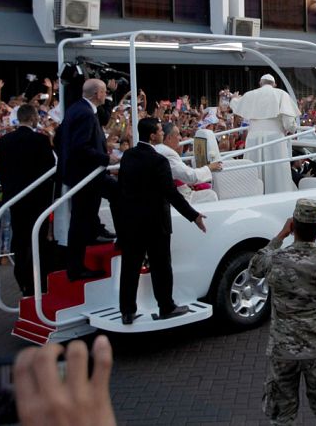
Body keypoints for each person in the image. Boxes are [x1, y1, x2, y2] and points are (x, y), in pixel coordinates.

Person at [249, 198, 316, 426]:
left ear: (293, 226)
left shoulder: (275, 259)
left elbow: (255, 266)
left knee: (282, 417)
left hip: (283, 349)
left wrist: (280, 236)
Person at [118, 118, 207, 325]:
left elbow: (121, 189)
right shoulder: (158, 161)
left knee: (130, 266)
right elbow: (171, 194)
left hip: (131, 222)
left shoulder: (128, 156)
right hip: (156, 223)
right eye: (159, 131)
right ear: (152, 136)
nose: (162, 134)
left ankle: (127, 311)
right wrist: (194, 216)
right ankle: (166, 306)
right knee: (161, 266)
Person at [55, 79, 119, 282]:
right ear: (97, 94)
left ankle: (95, 233)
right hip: (86, 175)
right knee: (82, 219)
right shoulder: (84, 113)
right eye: (104, 91)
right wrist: (105, 158)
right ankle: (76, 267)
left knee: (85, 216)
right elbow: (80, 147)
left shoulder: (78, 109)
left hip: (85, 174)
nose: (105, 94)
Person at [0, 105, 56, 295]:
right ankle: (38, 283)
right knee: (38, 241)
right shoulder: (40, 140)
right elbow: (50, 169)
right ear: (32, 119)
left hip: (15, 200)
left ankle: (23, 282)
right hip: (38, 200)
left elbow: (2, 170)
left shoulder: (5, 141)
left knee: (20, 241)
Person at [230, 74, 300, 194]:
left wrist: (234, 98)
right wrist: (293, 129)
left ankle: (254, 193)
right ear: (274, 84)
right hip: (274, 138)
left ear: (260, 83)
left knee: (254, 166)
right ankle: (277, 192)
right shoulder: (281, 94)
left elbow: (235, 104)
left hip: (253, 137)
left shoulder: (251, 94)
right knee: (275, 170)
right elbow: (289, 122)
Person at [154, 121, 222, 203]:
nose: (180, 138)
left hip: (175, 193)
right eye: (178, 134)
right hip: (179, 198)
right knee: (211, 195)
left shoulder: (159, 150)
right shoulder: (168, 154)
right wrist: (210, 167)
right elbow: (190, 177)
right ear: (169, 138)